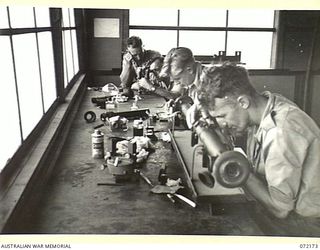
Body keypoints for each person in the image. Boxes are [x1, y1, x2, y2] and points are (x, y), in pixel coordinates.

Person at [196, 63, 320, 236]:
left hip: (305, 226)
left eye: (222, 116)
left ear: (243, 101)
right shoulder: (266, 107)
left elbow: (280, 210)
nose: (221, 124)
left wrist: (235, 168)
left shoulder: (281, 131)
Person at [134, 47, 206, 101]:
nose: (177, 83)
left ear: (189, 69)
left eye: (178, 79)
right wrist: (179, 102)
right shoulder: (188, 77)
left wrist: (152, 88)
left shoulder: (211, 80)